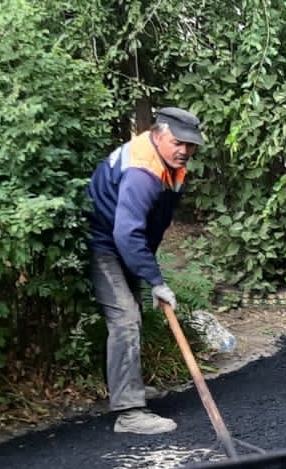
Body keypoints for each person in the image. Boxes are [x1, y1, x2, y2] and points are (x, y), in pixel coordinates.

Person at [86, 106, 205, 434]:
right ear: (158, 134)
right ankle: (129, 413)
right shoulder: (143, 172)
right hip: (104, 244)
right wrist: (155, 279)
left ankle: (129, 386)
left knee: (131, 314)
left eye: (191, 145)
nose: (185, 151)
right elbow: (125, 232)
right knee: (125, 319)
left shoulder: (167, 164)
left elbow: (150, 223)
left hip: (123, 242)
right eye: (178, 143)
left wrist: (147, 270)